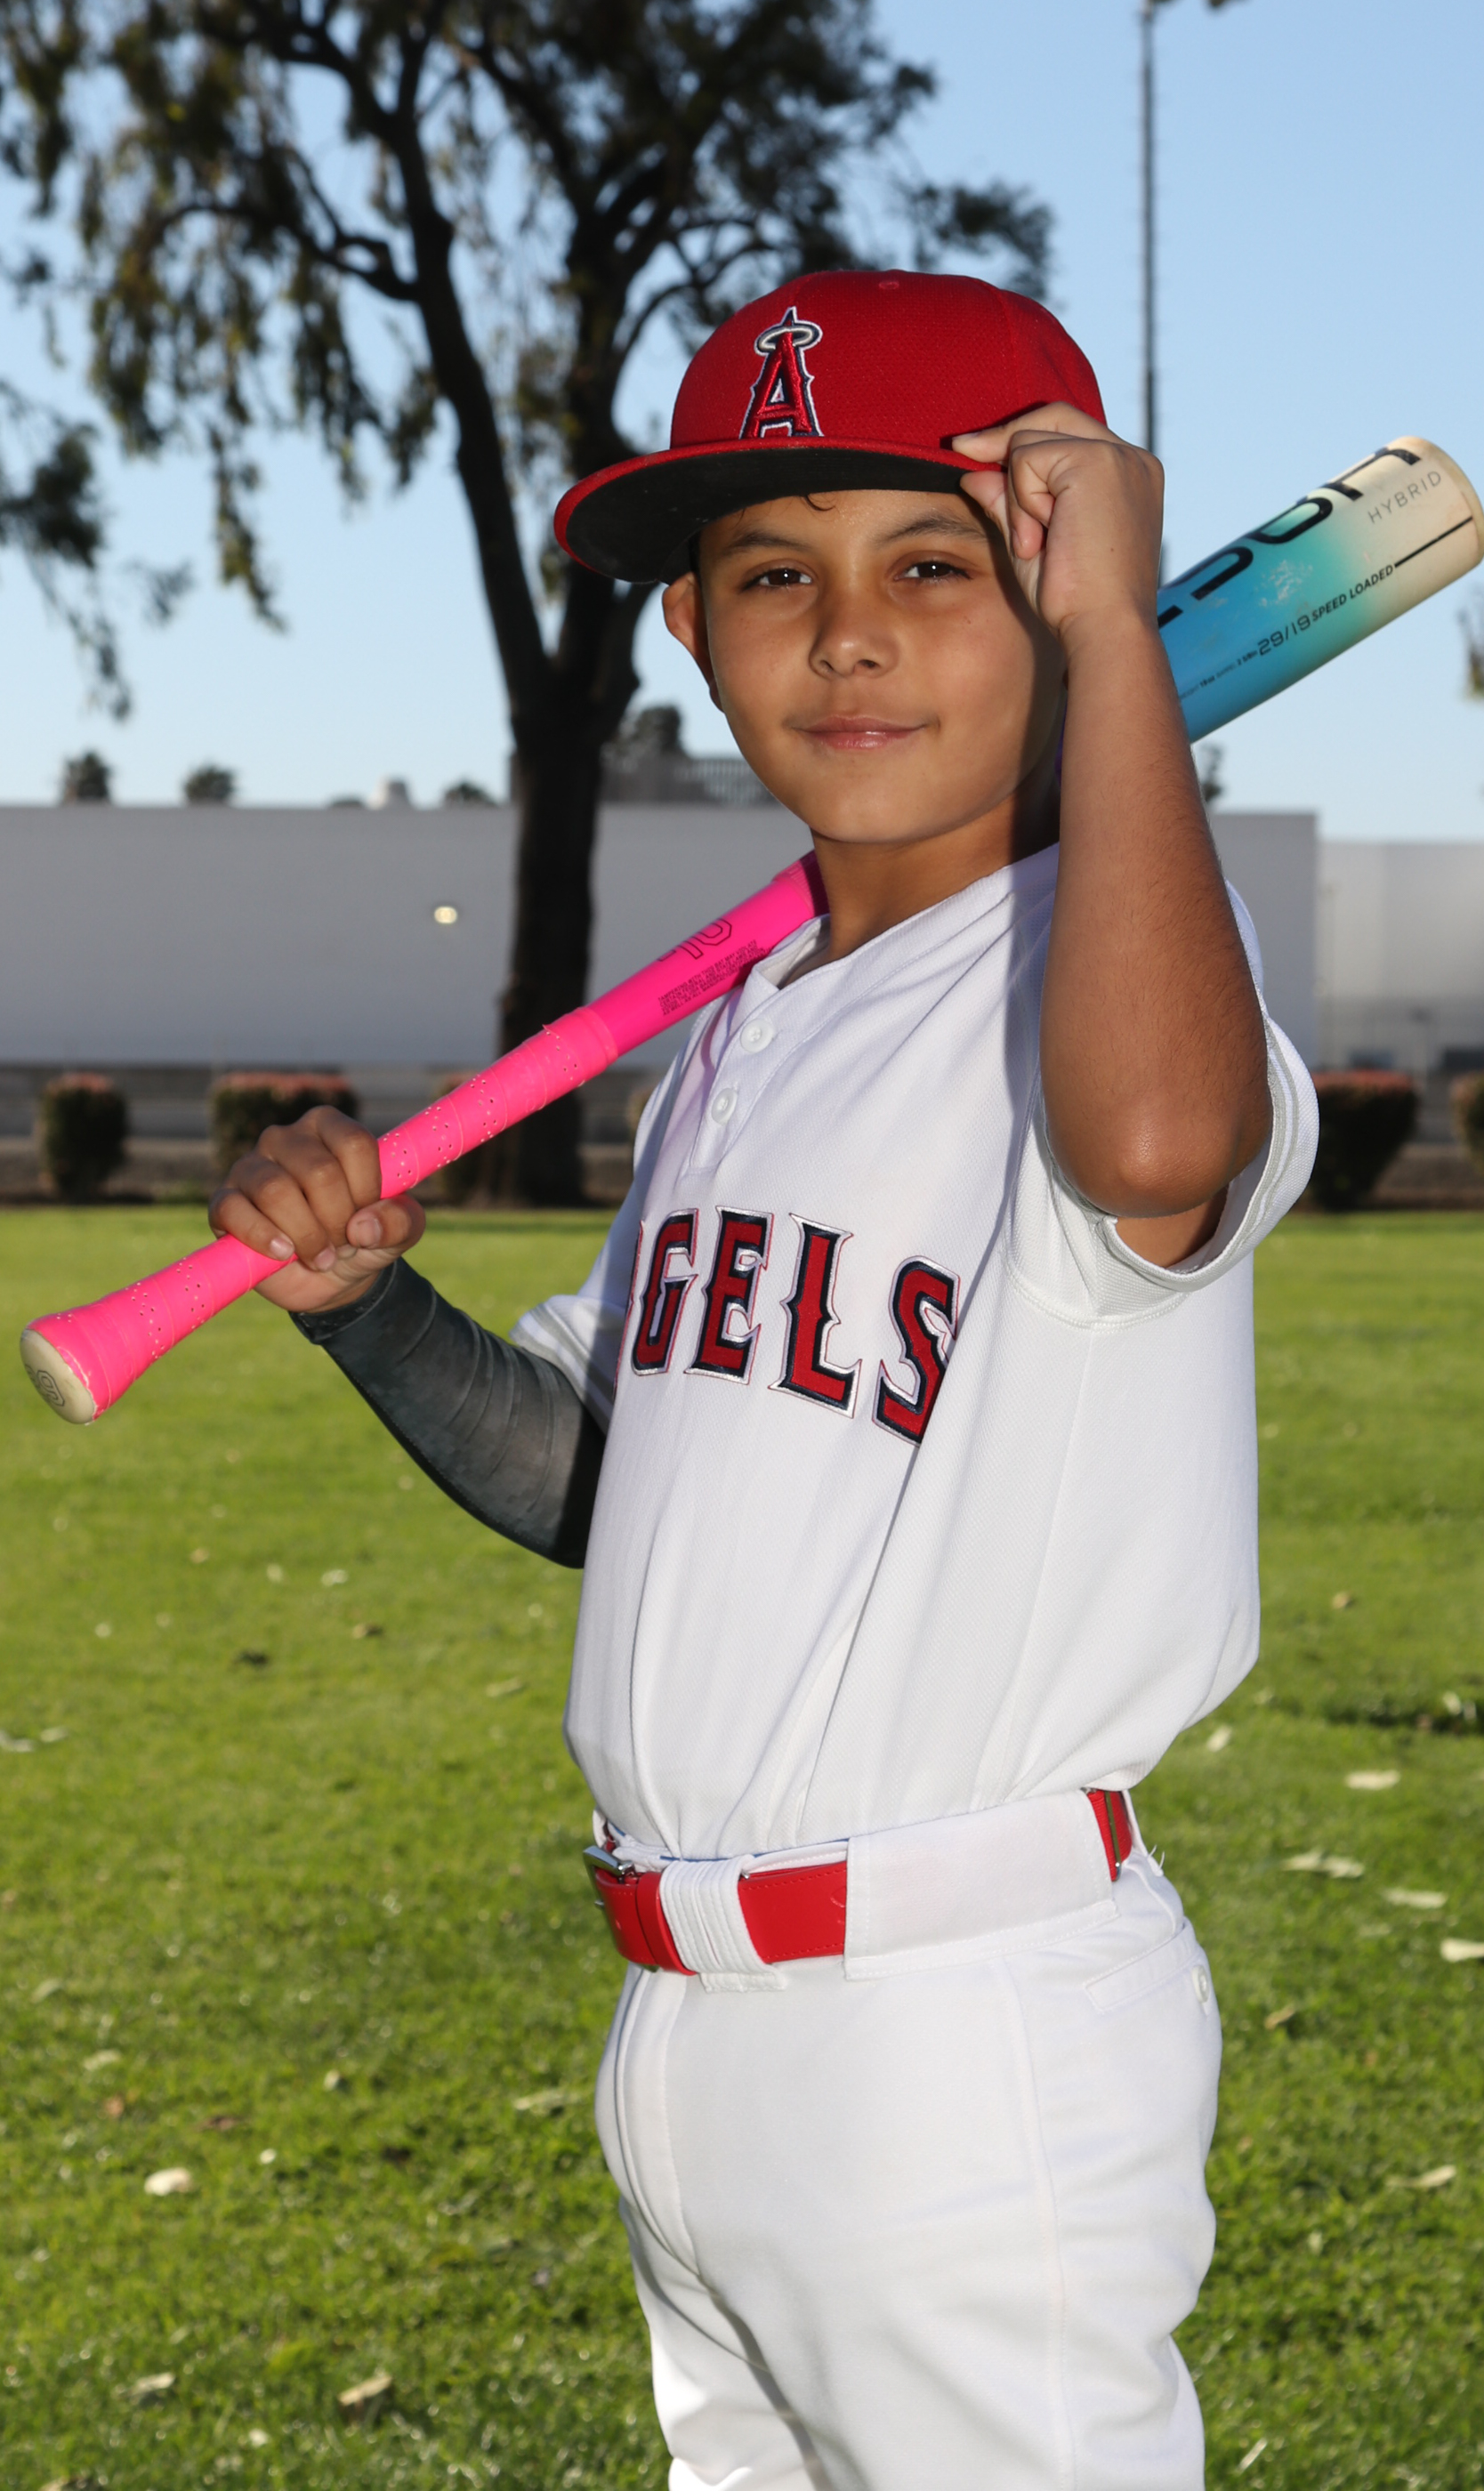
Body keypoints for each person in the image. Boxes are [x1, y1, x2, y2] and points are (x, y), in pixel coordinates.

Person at [210, 269, 1316, 2491]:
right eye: (773, 578)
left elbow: (1157, 1140)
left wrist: (1120, 647)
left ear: (1061, 587)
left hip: (957, 2019)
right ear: (694, 639)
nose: (849, 638)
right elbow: (601, 1475)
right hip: (692, 2017)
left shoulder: (1107, 985)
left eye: (935, 567)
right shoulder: (740, 1037)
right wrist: (368, 1313)